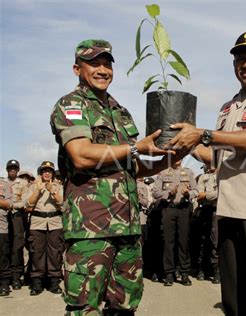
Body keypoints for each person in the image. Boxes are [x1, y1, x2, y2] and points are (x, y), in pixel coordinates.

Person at [169, 31, 246, 315]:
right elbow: (215, 158)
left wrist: (203, 134)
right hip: (228, 214)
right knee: (234, 302)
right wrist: (182, 145)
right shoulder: (228, 107)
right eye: (241, 59)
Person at [50, 39, 171, 315]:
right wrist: (134, 147)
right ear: (77, 69)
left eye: (107, 64)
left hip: (127, 229)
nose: (102, 69)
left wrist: (173, 156)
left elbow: (135, 167)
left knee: (125, 307)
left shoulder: (120, 112)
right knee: (85, 308)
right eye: (94, 63)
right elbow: (81, 154)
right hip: (90, 230)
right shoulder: (71, 105)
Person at [151, 159, 198, 287]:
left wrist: (189, 193)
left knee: (184, 242)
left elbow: (196, 191)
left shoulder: (188, 173)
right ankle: (169, 274)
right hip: (168, 208)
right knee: (168, 241)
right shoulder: (163, 173)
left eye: (181, 156)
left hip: (183, 209)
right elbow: (155, 192)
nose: (178, 159)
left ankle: (184, 273)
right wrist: (168, 193)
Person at [24, 161, 64, 296]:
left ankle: (54, 283)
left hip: (55, 223)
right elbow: (27, 205)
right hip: (37, 222)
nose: (47, 173)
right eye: (44, 171)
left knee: (55, 253)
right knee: (37, 253)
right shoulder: (33, 187)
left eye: (49, 171)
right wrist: (38, 191)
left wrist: (52, 191)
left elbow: (63, 204)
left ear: (53, 173)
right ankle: (37, 284)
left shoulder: (58, 187)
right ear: (41, 173)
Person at [5, 159, 28, 290]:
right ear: (7, 169)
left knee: (17, 247)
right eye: (10, 168)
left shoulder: (23, 183)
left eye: (14, 168)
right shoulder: (2, 182)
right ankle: (6, 276)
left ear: (18, 170)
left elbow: (24, 201)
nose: (12, 170)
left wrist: (11, 205)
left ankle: (16, 277)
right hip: (4, 218)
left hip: (17, 216)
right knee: (5, 246)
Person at [195, 163, 219, 284]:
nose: (208, 166)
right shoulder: (202, 177)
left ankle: (216, 271)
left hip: (218, 211)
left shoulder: (222, 176)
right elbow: (199, 195)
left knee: (215, 241)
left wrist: (207, 195)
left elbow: (222, 192)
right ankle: (201, 269)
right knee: (203, 241)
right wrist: (212, 195)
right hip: (205, 210)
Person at [0, 176, 13, 296]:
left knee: (3, 258)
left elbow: (9, 204)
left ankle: (4, 285)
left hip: (1, 228)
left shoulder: (4, 184)